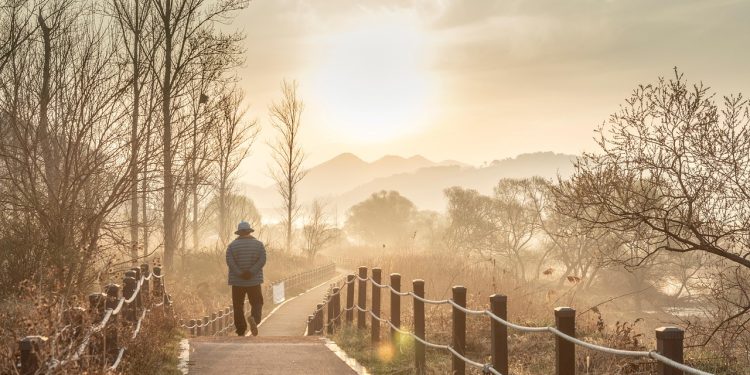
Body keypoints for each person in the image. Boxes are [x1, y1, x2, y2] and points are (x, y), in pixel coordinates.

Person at [226, 221, 266, 336]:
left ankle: (241, 330)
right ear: (249, 231)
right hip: (254, 281)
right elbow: (262, 261)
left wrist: (240, 274)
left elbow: (230, 262)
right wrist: (251, 272)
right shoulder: (259, 245)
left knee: (238, 305)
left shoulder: (231, 246)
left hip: (237, 282)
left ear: (239, 233)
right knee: (257, 302)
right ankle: (254, 319)